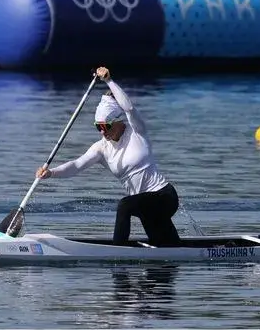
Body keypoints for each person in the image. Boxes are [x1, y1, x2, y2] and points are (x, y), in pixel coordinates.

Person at [36, 66, 182, 248]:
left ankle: (117, 252)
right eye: (98, 127)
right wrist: (50, 173)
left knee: (124, 205)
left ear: (119, 122)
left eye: (106, 126)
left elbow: (128, 107)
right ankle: (183, 252)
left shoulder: (137, 131)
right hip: (145, 206)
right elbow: (76, 165)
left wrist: (108, 81)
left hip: (164, 197)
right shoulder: (101, 148)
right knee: (168, 249)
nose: (103, 132)